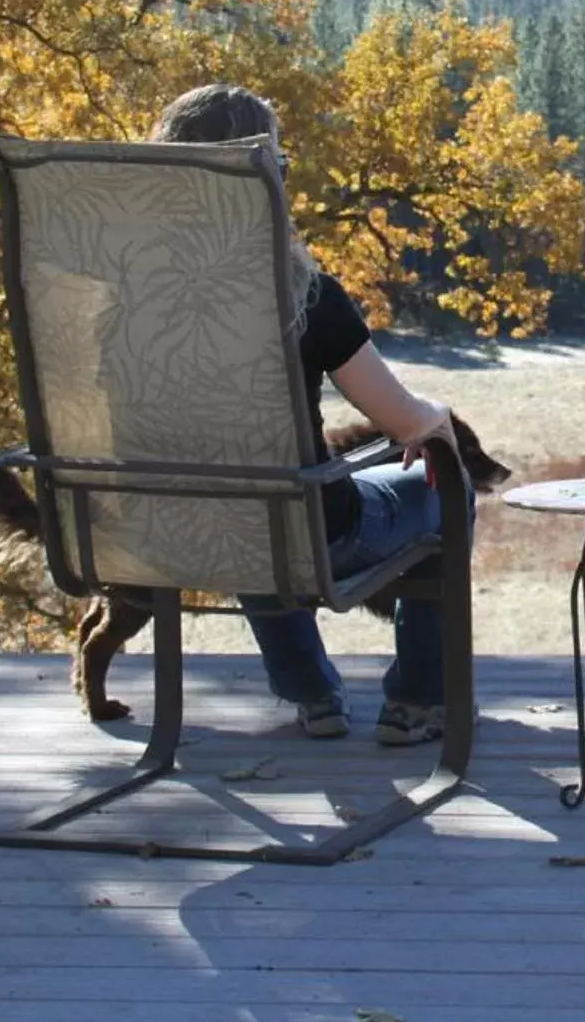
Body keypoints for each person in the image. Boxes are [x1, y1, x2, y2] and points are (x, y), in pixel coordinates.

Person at [149, 83, 465, 746]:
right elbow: (405, 423)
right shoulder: (304, 296)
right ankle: (415, 702)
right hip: (315, 533)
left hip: (176, 529)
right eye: (281, 167)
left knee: (246, 512)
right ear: (263, 180)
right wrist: (435, 419)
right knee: (447, 487)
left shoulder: (126, 300)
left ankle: (312, 695)